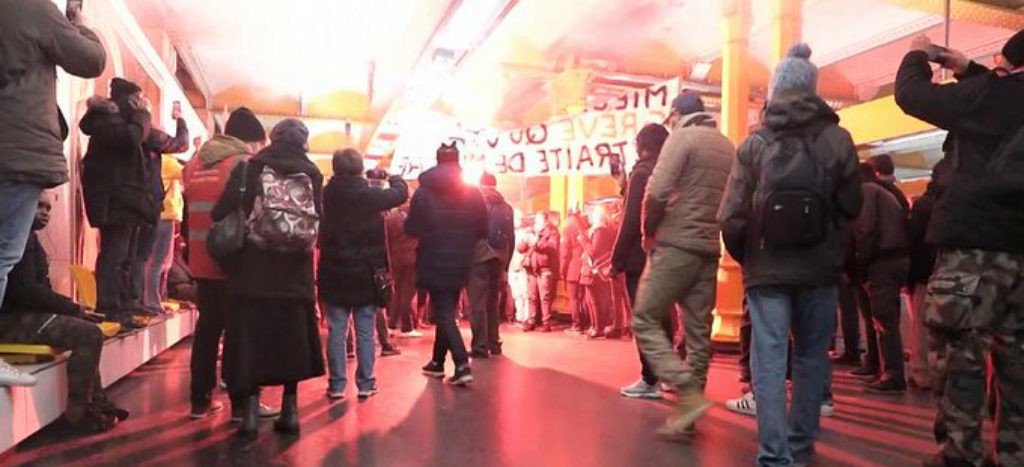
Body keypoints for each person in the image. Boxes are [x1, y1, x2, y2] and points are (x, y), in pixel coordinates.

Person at [719, 44, 862, 465]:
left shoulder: (754, 143)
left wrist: (751, 259)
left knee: (768, 358)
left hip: (767, 270)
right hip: (820, 270)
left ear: (776, 88)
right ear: (812, 88)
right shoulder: (837, 139)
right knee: (811, 357)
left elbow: (730, 215)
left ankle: (773, 456)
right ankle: (801, 449)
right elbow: (852, 205)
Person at [894, 31, 1024, 466]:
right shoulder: (995, 92)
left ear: (1009, 64)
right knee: (1017, 364)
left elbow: (911, 94)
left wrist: (917, 52)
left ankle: (961, 455)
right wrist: (974, 70)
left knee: (958, 356)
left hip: (973, 248)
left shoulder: (988, 95)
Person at [212, 119, 325, 438]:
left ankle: (249, 413)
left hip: (252, 275)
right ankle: (290, 411)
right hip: (295, 278)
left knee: (250, 343)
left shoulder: (249, 168)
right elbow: (319, 224)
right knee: (291, 343)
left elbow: (221, 211)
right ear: (304, 142)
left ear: (272, 139)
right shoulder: (313, 173)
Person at [630, 90, 733, 436]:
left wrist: (649, 229)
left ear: (676, 115)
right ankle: (689, 415)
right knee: (698, 334)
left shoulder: (681, 139)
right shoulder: (726, 146)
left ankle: (684, 388)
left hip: (675, 245)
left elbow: (656, 191)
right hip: (708, 247)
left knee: (645, 317)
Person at [0, 0, 105, 310]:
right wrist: (79, 23)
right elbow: (91, 60)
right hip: (16, 150)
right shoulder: (31, 8)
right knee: (4, 251)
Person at [0, 194, 128, 433]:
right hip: (10, 321)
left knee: (85, 328)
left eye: (48, 207)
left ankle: (96, 402)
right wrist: (73, 307)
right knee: (88, 334)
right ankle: (79, 414)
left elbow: (37, 292)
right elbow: (25, 291)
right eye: (38, 205)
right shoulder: (16, 238)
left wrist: (72, 309)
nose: (45, 212)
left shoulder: (27, 238)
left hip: (20, 317)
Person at [183, 107, 278, 421]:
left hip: (200, 259)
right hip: (233, 260)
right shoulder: (243, 164)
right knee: (239, 331)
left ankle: (200, 401)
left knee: (208, 329)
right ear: (249, 141)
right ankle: (241, 406)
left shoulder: (195, 162)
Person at [80, 79, 188, 327]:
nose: (143, 104)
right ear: (130, 99)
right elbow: (132, 138)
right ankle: (111, 307)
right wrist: (142, 116)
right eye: (139, 100)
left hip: (126, 200)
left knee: (127, 256)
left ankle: (125, 304)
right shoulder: (111, 120)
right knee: (117, 255)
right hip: (118, 199)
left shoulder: (115, 120)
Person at [319, 149, 408, 400]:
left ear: (335, 168)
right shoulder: (369, 195)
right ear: (359, 169)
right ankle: (366, 383)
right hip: (366, 272)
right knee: (365, 331)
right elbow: (401, 193)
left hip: (334, 270)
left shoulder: (327, 195)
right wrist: (391, 176)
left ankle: (336, 385)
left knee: (337, 331)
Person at [407, 142, 487, 386]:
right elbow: (483, 227)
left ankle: (461, 364)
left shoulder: (423, 192)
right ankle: (437, 362)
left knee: (442, 311)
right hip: (462, 259)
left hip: (433, 258)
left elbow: (411, 227)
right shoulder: (473, 192)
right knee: (446, 310)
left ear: (438, 160)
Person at [613, 122, 673, 399]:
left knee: (644, 318)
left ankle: (650, 379)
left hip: (640, 256)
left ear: (642, 146)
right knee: (664, 316)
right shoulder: (673, 171)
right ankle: (667, 374)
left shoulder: (641, 174)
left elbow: (629, 222)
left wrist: (616, 260)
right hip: (669, 253)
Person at [851, 163, 910, 394]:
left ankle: (892, 375)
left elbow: (866, 228)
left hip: (883, 261)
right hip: (896, 258)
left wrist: (861, 263)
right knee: (884, 319)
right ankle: (883, 368)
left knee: (884, 320)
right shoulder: (885, 192)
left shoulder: (867, 192)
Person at [904, 159, 948, 391]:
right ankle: (944, 371)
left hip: (925, 276)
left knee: (920, 324)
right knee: (949, 324)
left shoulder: (923, 206)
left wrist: (911, 278)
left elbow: (915, 244)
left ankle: (922, 374)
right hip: (954, 275)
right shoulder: (956, 204)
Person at [467, 173, 515, 358]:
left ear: (480, 184)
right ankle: (494, 343)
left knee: (477, 303)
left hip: (478, 257)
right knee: (492, 302)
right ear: (495, 185)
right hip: (499, 258)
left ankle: (479, 346)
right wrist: (506, 265)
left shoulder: (474, 203)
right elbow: (511, 237)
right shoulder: (507, 208)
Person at [142, 153, 186, 313]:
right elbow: (188, 171)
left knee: (161, 263)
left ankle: (157, 298)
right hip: (164, 217)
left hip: (163, 217)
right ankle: (153, 301)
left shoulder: (155, 160)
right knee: (157, 263)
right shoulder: (167, 161)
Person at [519, 212, 560, 332]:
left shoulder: (552, 233)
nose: (536, 223)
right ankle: (531, 320)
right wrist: (525, 238)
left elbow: (552, 247)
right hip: (531, 269)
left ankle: (546, 322)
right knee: (531, 297)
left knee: (545, 297)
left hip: (545, 269)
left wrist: (536, 242)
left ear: (545, 221)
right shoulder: (531, 232)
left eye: (538, 220)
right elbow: (520, 249)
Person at [386, 204, 422, 337]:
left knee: (397, 291)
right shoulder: (416, 217)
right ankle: (407, 326)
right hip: (413, 258)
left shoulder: (391, 217)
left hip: (395, 259)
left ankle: (392, 324)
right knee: (408, 293)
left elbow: (387, 239)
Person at [581, 205, 616, 340]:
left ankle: (597, 328)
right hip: (596, 271)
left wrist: (583, 240)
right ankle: (595, 326)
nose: (589, 216)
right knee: (593, 301)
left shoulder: (600, 231)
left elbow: (593, 252)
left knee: (595, 301)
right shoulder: (605, 230)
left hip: (595, 272)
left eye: (592, 213)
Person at [560, 210, 588, 334]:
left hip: (572, 267)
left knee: (573, 298)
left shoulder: (567, 230)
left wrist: (562, 269)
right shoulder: (584, 229)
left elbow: (565, 253)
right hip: (583, 266)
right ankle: (585, 323)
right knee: (582, 298)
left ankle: (576, 325)